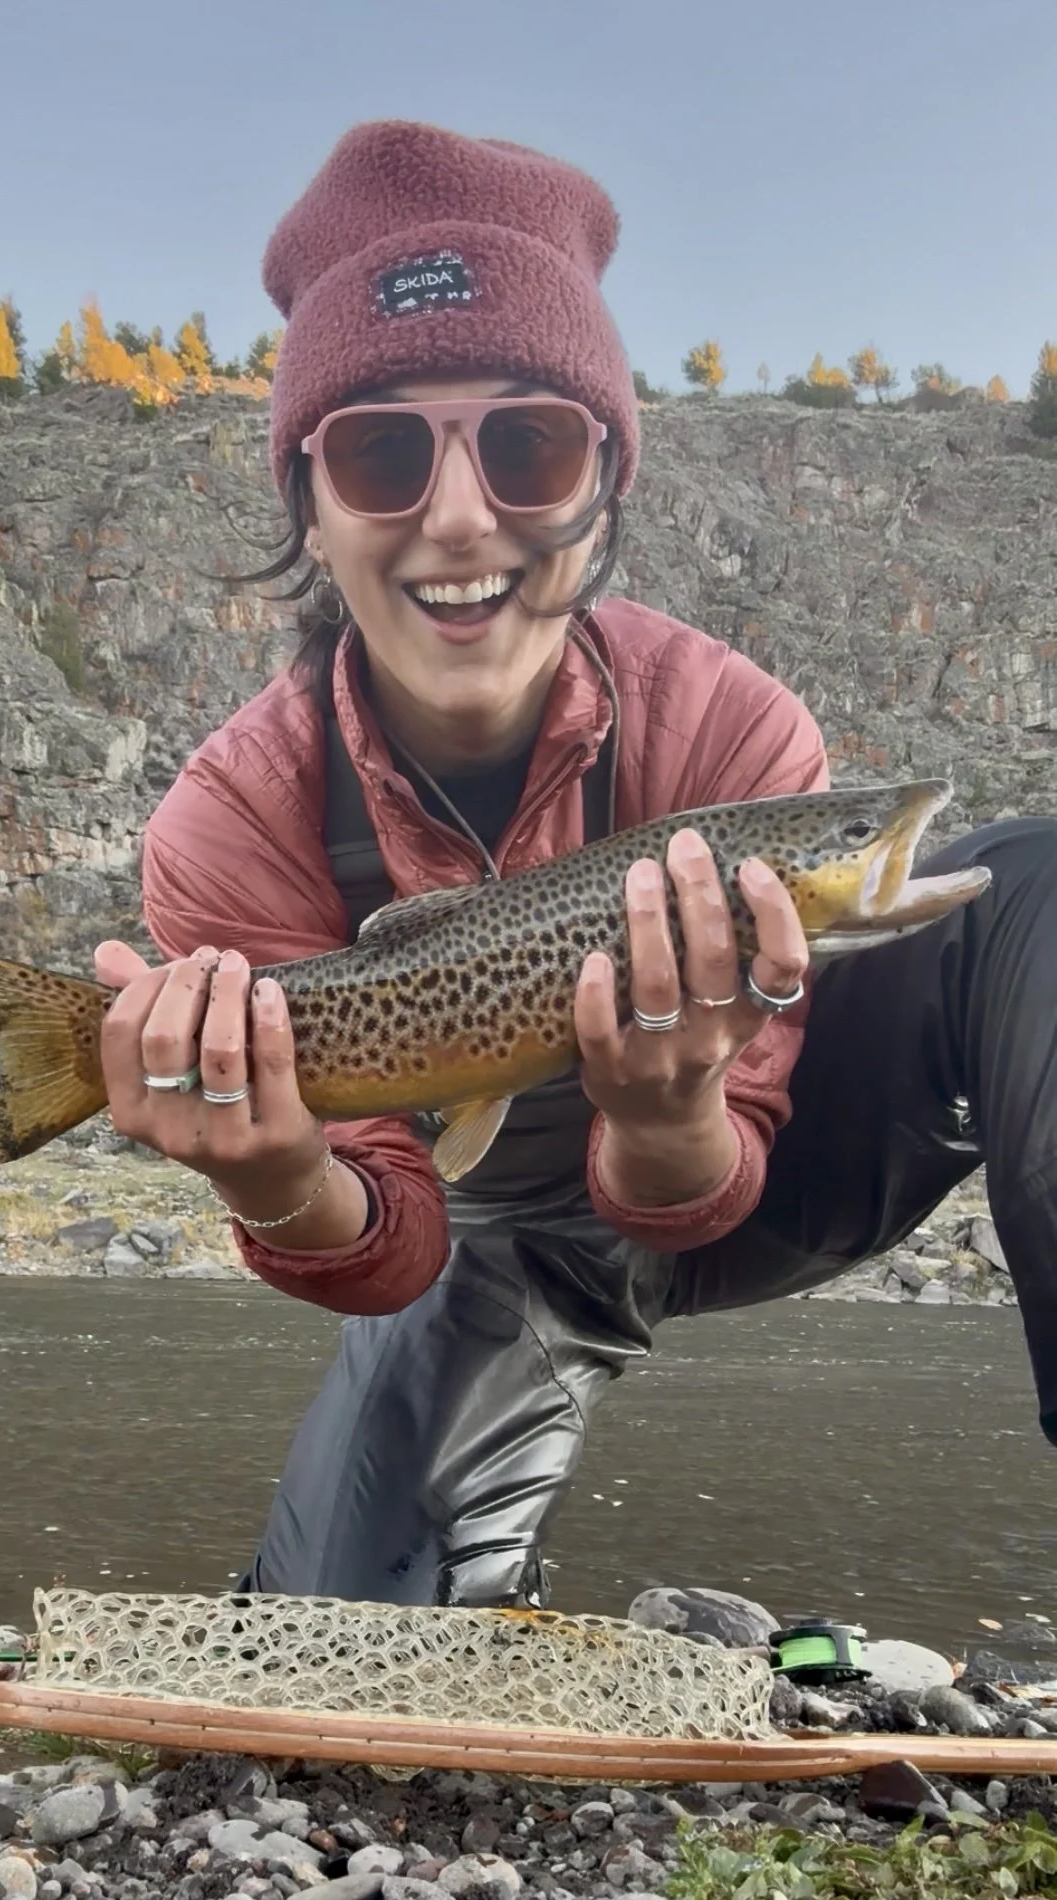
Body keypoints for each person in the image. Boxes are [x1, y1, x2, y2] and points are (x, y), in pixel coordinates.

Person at [95, 121, 1057, 1610]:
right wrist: (278, 1177)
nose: (459, 517)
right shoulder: (236, 815)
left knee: (1039, 890)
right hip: (482, 1247)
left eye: (529, 444)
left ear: (603, 485)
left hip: (774, 1166)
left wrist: (669, 1106)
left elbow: (701, 1188)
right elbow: (385, 1246)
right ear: (311, 506)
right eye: (382, 452)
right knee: (356, 1653)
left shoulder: (729, 725)